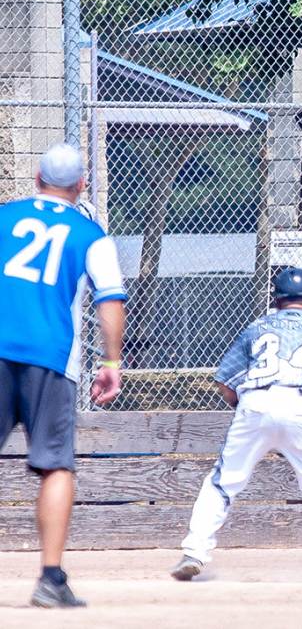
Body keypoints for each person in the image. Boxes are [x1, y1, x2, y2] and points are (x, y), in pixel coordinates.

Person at [170, 267, 302, 582]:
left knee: (223, 482)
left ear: (277, 301)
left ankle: (194, 552)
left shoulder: (256, 328)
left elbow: (225, 383)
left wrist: (246, 409)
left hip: (257, 401)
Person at [0, 143, 127, 608]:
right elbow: (109, 298)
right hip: (52, 358)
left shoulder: (4, 217)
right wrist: (111, 363)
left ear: (37, 178)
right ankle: (50, 579)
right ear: (81, 186)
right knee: (55, 464)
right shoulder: (90, 233)